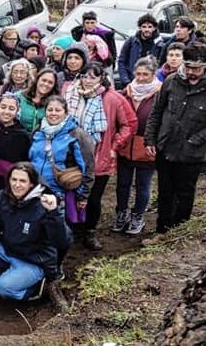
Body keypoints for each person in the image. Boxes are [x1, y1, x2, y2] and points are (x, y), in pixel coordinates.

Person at [0, 163, 67, 305]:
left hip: (34, 260)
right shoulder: (1, 197)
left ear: (32, 183)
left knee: (4, 287)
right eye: (14, 180)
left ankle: (35, 289)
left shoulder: (46, 204)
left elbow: (62, 241)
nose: (17, 185)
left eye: (22, 181)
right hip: (9, 250)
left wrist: (54, 213)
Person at [64, 63, 137, 250]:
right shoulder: (71, 94)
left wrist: (115, 145)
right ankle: (74, 228)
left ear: (101, 78)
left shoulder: (112, 98)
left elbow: (129, 123)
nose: (88, 81)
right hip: (72, 154)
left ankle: (90, 231)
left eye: (93, 77)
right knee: (72, 192)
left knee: (93, 198)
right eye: (85, 76)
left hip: (99, 155)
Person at [144, 43, 206, 241]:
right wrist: (150, 139)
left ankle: (178, 234)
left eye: (196, 68)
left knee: (185, 194)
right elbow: (156, 112)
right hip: (166, 147)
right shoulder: (171, 81)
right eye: (188, 67)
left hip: (192, 153)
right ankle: (161, 231)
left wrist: (196, 140)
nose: (191, 72)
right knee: (165, 192)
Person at [28, 96, 95, 229]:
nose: (53, 113)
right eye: (50, 110)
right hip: (36, 189)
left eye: (57, 110)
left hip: (60, 192)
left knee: (56, 230)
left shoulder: (76, 135)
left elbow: (87, 167)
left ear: (65, 112)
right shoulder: (38, 131)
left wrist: (83, 195)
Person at [114, 58, 161, 235]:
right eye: (138, 74)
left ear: (153, 75)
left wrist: (155, 142)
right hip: (125, 146)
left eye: (145, 75)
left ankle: (138, 215)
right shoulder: (126, 93)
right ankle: (121, 212)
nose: (141, 78)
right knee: (122, 184)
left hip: (146, 146)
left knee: (143, 185)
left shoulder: (160, 93)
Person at [117, 14, 160, 88]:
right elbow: (121, 61)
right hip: (131, 81)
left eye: (150, 27)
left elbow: (160, 65)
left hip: (150, 83)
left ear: (154, 28)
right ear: (140, 27)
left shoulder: (159, 44)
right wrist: (125, 80)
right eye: (144, 27)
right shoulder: (131, 41)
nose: (147, 29)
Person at [17, 69, 59, 134]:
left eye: (50, 82)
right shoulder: (19, 96)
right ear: (37, 80)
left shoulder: (55, 103)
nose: (46, 84)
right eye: (44, 80)